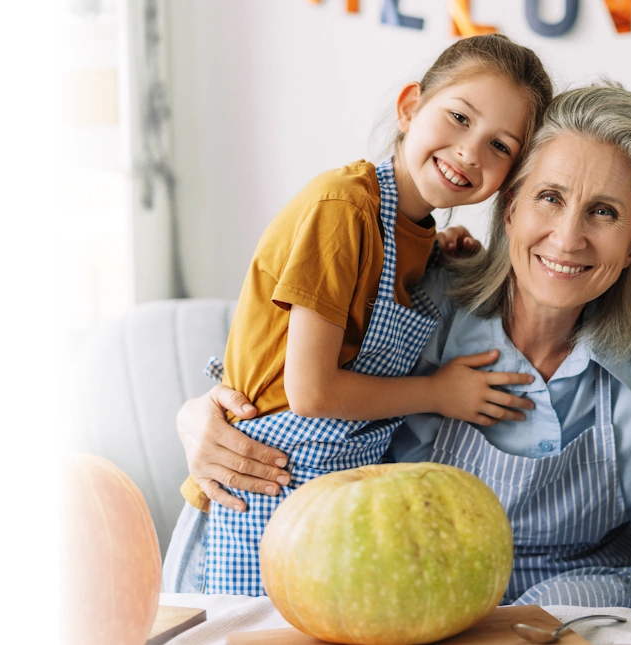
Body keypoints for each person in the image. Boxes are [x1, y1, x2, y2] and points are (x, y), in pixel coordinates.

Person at [168, 83, 631, 608]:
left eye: (605, 212)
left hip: (589, 588)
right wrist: (204, 414)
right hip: (418, 587)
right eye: (549, 197)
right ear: (510, 206)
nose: (567, 238)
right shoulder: (418, 301)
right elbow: (289, 377)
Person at [183, 34, 554, 596]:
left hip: (331, 505)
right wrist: (439, 393)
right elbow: (310, 392)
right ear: (410, 106)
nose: (470, 151)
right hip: (261, 492)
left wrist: (439, 256)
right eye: (458, 117)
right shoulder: (343, 209)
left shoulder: (418, 234)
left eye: (500, 146)